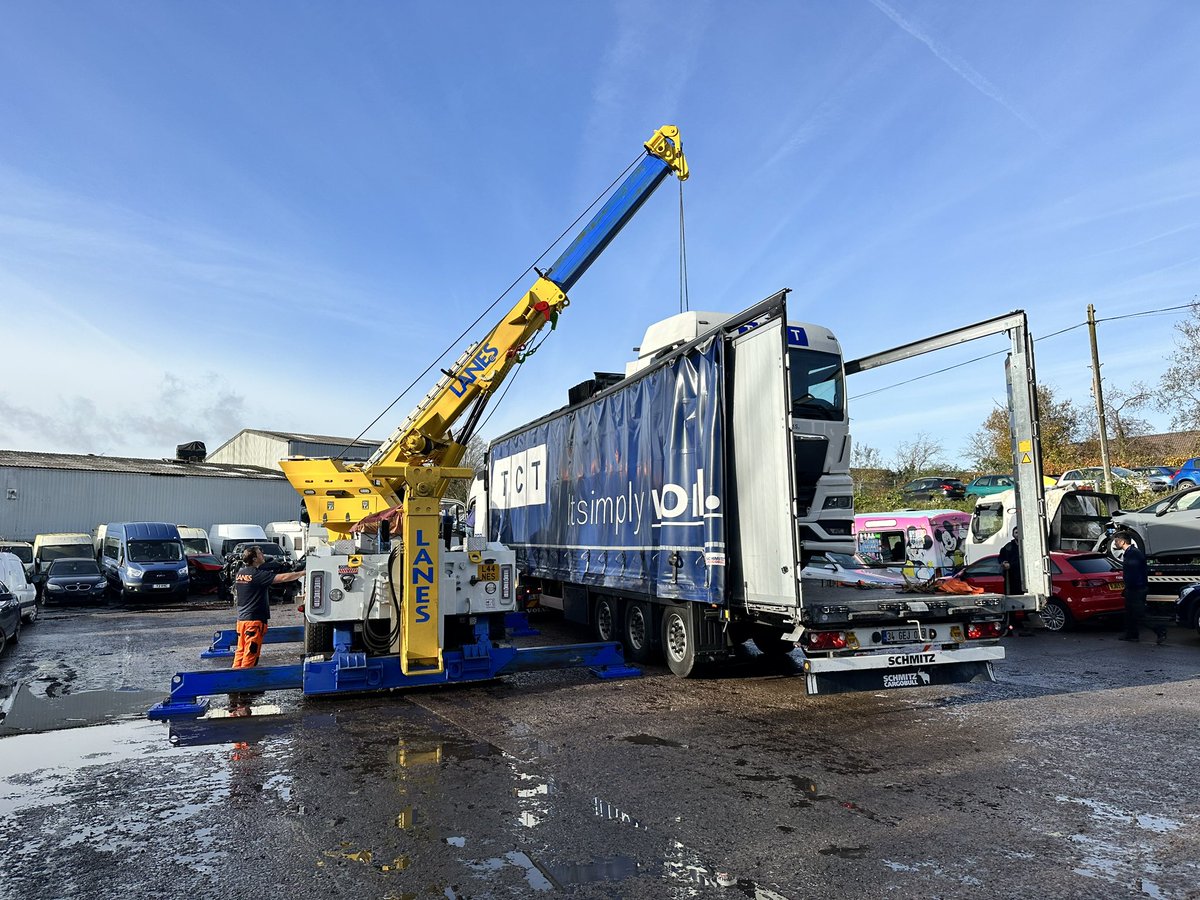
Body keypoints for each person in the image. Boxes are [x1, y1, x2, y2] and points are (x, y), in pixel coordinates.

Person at [229, 546, 305, 716]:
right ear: (254, 558)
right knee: (250, 655)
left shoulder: (241, 573)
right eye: (260, 553)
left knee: (240, 653)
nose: (263, 555)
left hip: (242, 620)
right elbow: (283, 578)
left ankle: (233, 685)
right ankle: (245, 689)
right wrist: (303, 572)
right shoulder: (256, 575)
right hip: (254, 621)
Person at [1113, 534, 1165, 644]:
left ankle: (1159, 630)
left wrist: (1130, 586)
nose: (1115, 543)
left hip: (1136, 589)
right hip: (1133, 588)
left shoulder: (1133, 554)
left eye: (1116, 541)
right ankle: (1131, 635)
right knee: (1130, 613)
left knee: (1139, 613)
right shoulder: (1130, 552)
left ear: (1123, 542)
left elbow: (1133, 573)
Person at [999, 528, 1024, 595]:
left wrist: (1011, 565)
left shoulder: (1026, 545)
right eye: (1016, 533)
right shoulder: (1008, 546)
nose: (1018, 535)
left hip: (1023, 576)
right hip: (1012, 577)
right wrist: (1004, 562)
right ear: (1013, 534)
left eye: (1019, 532)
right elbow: (1001, 557)